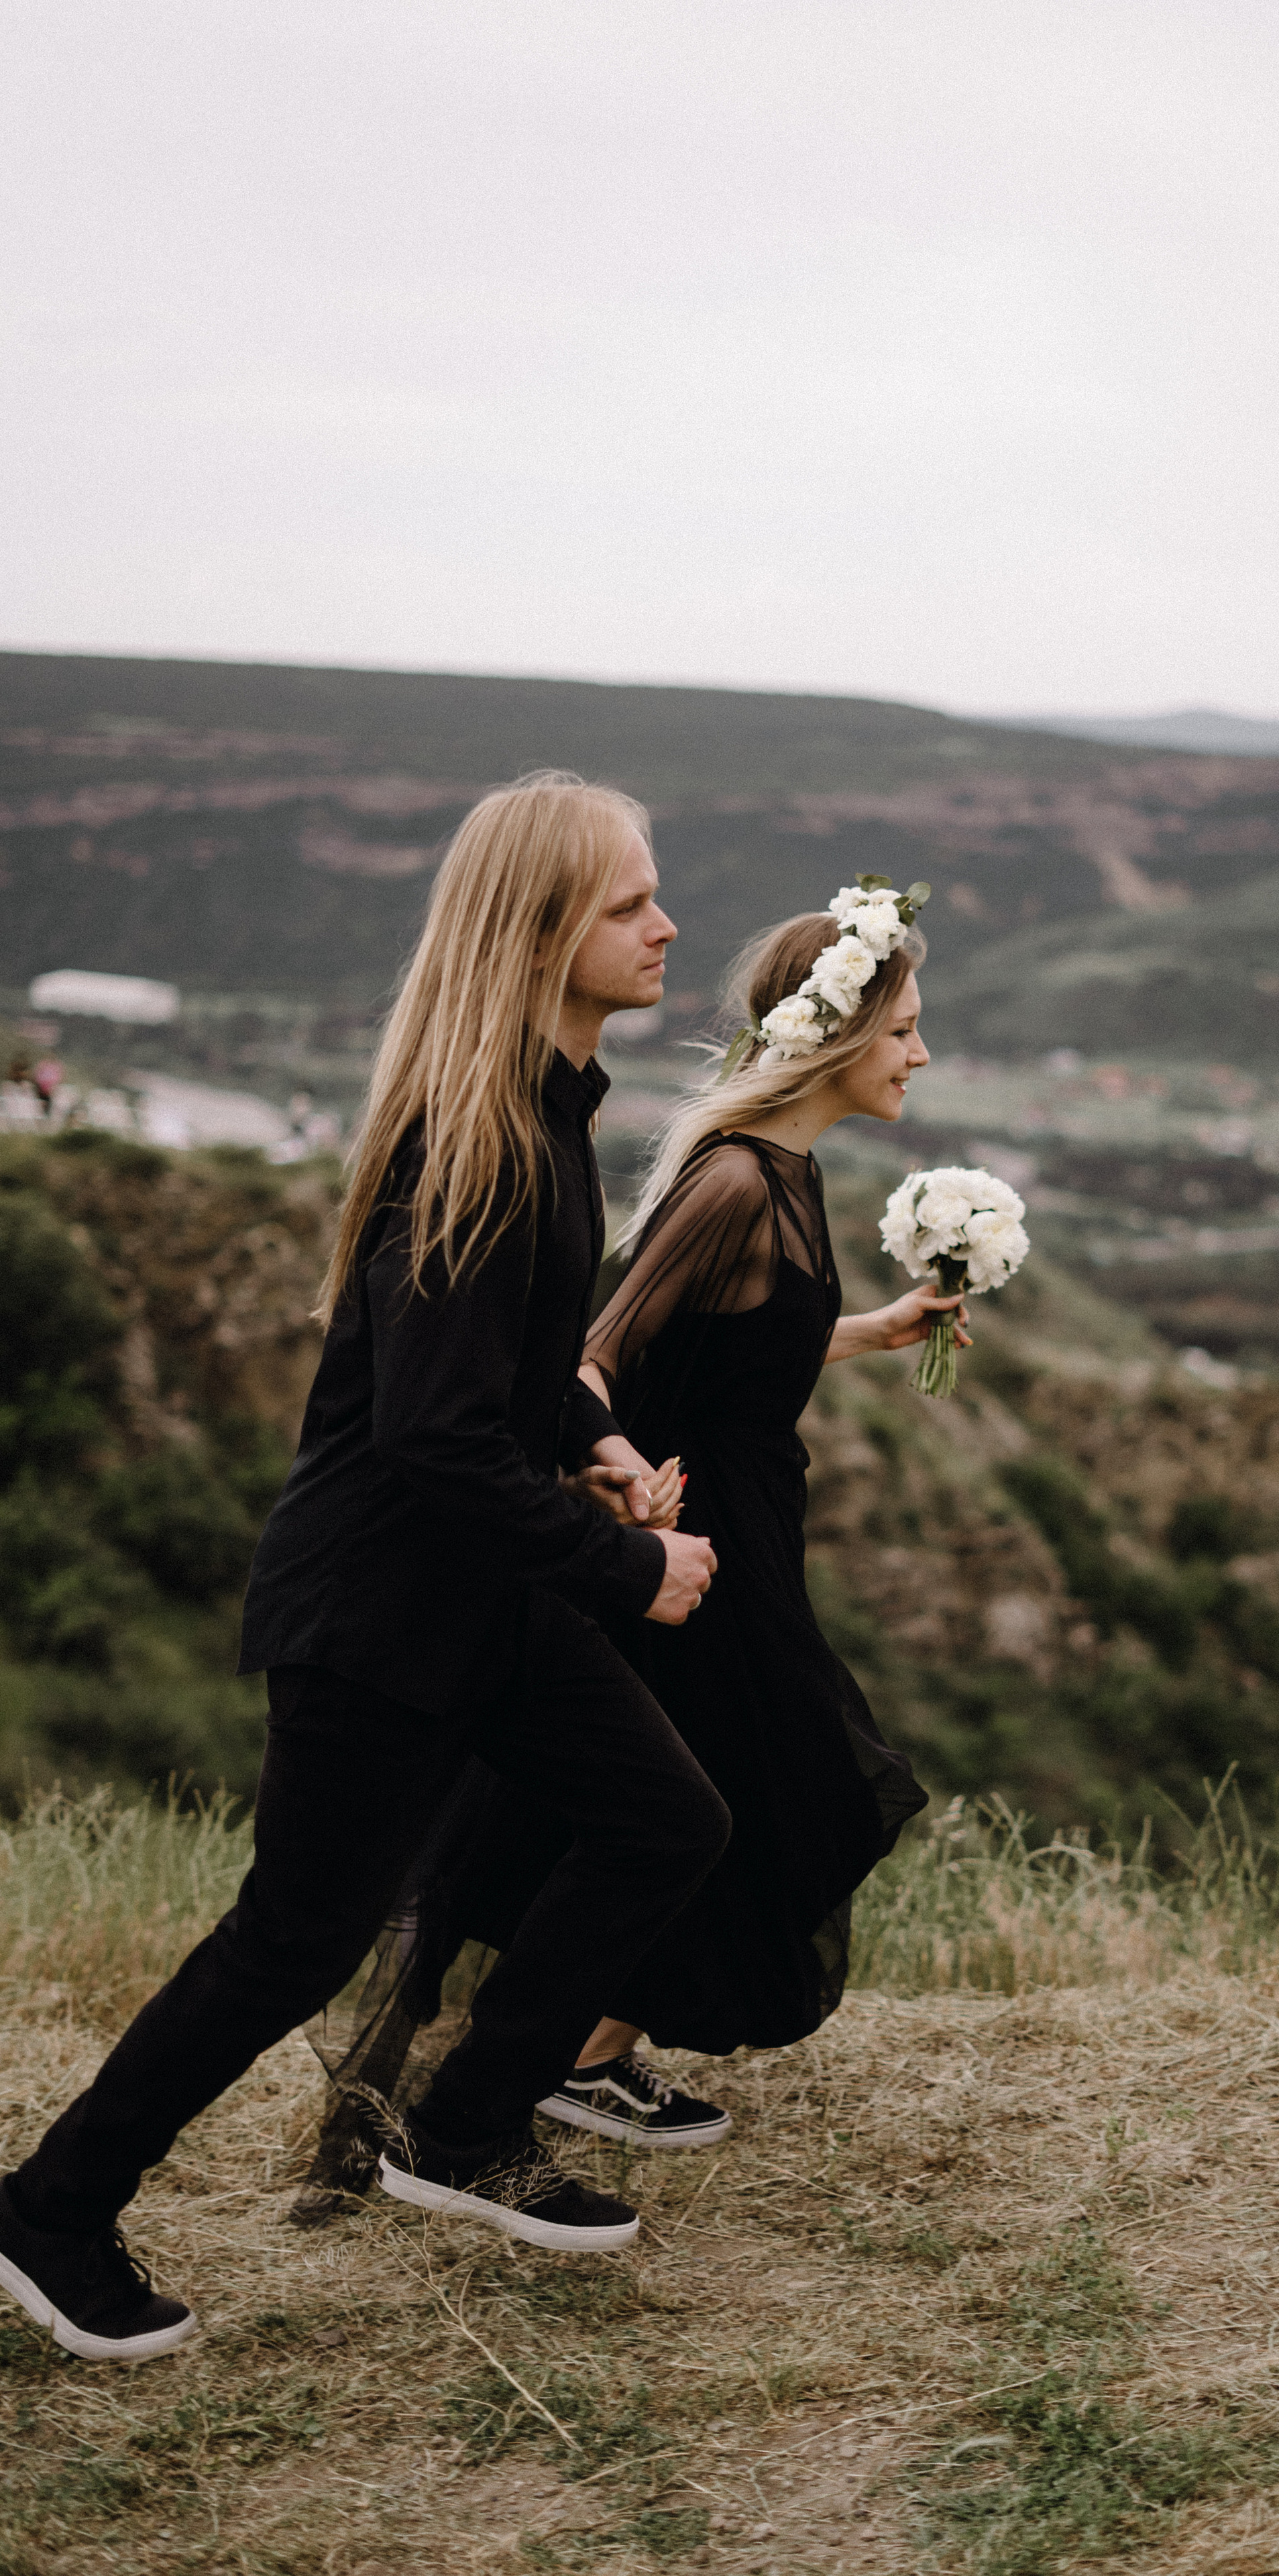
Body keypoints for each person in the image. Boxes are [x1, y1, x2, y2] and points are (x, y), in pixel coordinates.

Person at [0, 773, 728, 2362]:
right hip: (381, 1612)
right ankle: (51, 2210)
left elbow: (503, 1378)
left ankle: (459, 2130)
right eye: (626, 903)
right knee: (293, 1941)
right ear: (538, 932)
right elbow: (430, 1442)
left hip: (475, 1595)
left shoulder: (547, 1108)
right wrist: (628, 1570)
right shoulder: (481, 1144)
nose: (666, 925)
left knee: (663, 1816)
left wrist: (592, 1436)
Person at [302, 881, 963, 2169]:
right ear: (835, 1037)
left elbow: (740, 1354)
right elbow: (595, 1357)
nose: (921, 1054)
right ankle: (562, 2066)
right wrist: (620, 1481)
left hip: (756, 1517)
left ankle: (587, 2054)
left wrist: (867, 1333)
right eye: (902, 1031)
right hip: (695, 1535)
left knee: (714, 1787)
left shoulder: (790, 1175)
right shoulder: (732, 1183)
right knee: (774, 1781)